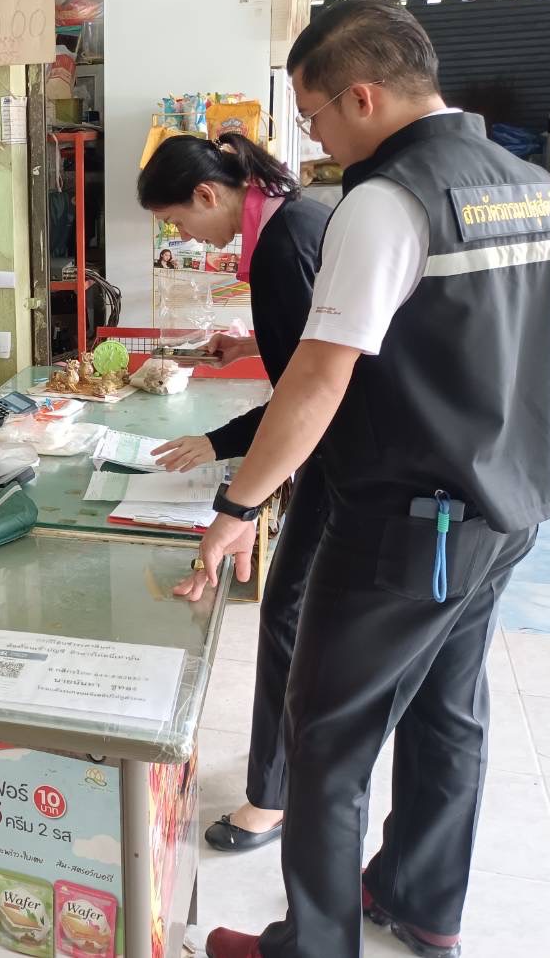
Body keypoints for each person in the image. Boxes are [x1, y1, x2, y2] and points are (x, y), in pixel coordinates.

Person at [190, 0, 550, 958]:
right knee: (447, 714)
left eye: (312, 116)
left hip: (408, 522)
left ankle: (311, 945)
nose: (311, 140)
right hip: (506, 504)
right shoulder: (527, 183)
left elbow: (319, 376)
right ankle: (420, 902)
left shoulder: (386, 200)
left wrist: (238, 503)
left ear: (361, 96)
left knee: (326, 738)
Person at [137, 133, 331, 854]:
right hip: (346, 448)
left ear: (207, 194)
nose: (186, 238)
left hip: (344, 455)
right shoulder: (294, 217)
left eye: (180, 223)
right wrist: (250, 346)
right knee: (302, 617)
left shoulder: (281, 248)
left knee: (288, 615)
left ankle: (273, 798)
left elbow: (307, 395)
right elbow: (315, 344)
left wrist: (229, 476)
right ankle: (293, 777)